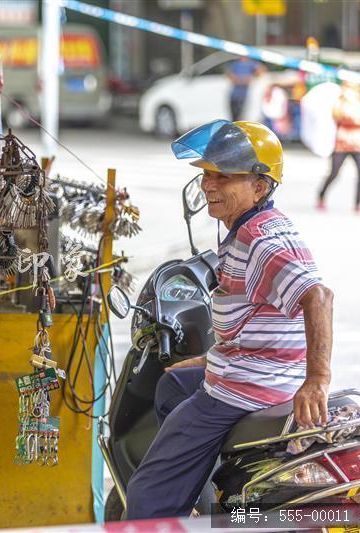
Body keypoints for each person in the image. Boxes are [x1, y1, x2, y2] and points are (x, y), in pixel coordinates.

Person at [126, 120, 334, 519]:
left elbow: (319, 297)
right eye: (206, 175)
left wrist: (317, 381)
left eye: (223, 176)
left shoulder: (262, 241)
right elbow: (257, 319)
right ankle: (203, 493)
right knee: (171, 384)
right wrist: (210, 359)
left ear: (260, 186)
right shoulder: (245, 230)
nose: (208, 186)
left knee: (146, 495)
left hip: (245, 390)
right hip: (252, 371)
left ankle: (162, 507)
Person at [317, 79, 360, 213]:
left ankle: (358, 203)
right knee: (334, 172)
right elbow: (335, 116)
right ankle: (321, 195)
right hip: (342, 143)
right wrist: (342, 101)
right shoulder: (340, 103)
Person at [227, 57, 265, 121]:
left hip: (243, 95)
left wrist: (249, 78)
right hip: (234, 94)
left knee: (241, 117)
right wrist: (241, 80)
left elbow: (261, 71)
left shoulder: (252, 63)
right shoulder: (236, 63)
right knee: (234, 116)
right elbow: (230, 75)